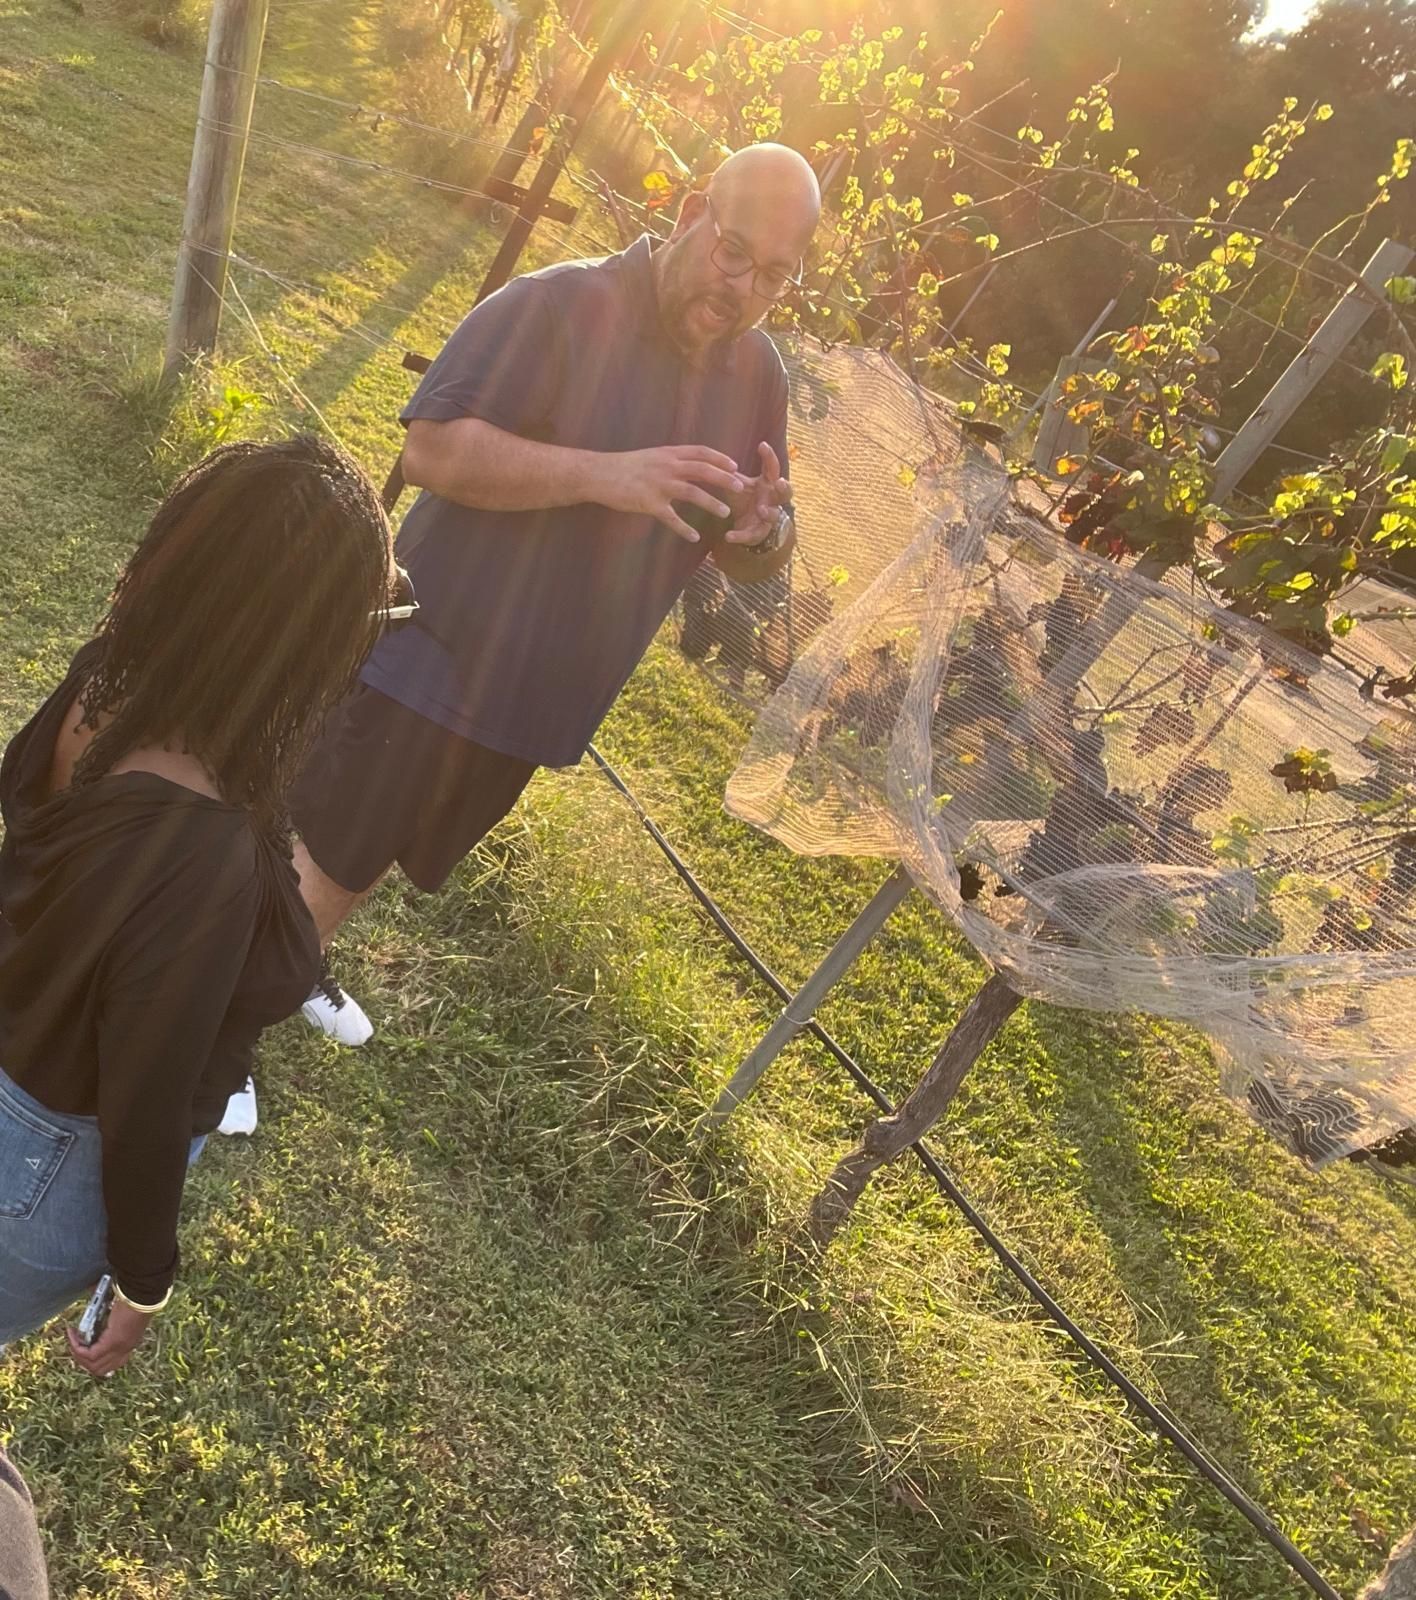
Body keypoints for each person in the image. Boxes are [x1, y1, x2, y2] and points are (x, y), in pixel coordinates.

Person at [291, 141, 822, 1043]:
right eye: (734, 251)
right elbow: (432, 448)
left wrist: (765, 530)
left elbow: (749, 538)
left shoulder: (757, 373)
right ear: (693, 212)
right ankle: (212, 1030)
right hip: (435, 643)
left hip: (539, 696)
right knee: (329, 846)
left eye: (775, 275)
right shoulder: (561, 303)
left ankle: (283, 962)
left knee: (368, 849)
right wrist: (603, 475)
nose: (743, 288)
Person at [0, 437, 397, 1373]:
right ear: (302, 640)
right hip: (47, 1165)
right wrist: (144, 1279)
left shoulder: (108, 680)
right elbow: (145, 1101)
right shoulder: (198, 845)